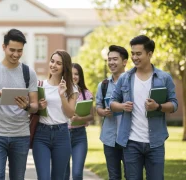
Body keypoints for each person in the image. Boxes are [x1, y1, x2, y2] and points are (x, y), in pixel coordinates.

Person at [110, 35, 178, 180]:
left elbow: (174, 105)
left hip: (155, 143)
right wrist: (122, 106)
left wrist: (158, 106)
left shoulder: (163, 78)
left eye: (138, 54)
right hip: (131, 142)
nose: (134, 57)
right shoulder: (125, 78)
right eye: (133, 53)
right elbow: (112, 103)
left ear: (149, 54)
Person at [0, 28, 38, 180]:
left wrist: (27, 106)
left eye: (20, 51)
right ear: (3, 47)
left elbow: (35, 105)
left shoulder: (28, 72)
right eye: (12, 50)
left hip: (21, 135)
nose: (16, 54)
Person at [32, 50, 78, 180]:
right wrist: (39, 107)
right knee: (44, 177)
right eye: (52, 61)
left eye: (58, 63)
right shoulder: (40, 85)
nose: (53, 65)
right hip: (41, 134)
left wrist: (62, 95)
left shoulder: (72, 89)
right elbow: (33, 109)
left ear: (65, 67)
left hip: (61, 134)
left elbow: (70, 113)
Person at [96, 45, 128, 180]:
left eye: (115, 59)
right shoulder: (103, 85)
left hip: (129, 138)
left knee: (131, 175)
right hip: (109, 138)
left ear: (125, 61)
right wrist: (103, 112)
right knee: (113, 176)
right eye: (109, 59)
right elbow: (98, 106)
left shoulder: (132, 82)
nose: (111, 63)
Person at [65, 63, 93, 180]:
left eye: (76, 74)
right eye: (71, 74)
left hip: (79, 136)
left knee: (77, 174)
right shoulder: (62, 92)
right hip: (63, 136)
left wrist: (80, 119)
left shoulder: (86, 94)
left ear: (80, 76)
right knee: (63, 174)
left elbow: (92, 116)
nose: (74, 77)